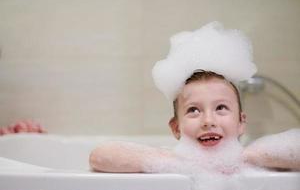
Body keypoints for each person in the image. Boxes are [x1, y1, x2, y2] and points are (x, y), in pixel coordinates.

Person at [89, 22, 300, 173]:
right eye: (193, 110)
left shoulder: (255, 160)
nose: (208, 121)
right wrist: (180, 162)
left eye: (221, 108)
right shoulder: (171, 162)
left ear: (241, 122)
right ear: (175, 128)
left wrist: (244, 157)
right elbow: (100, 156)